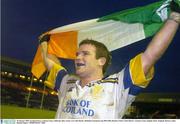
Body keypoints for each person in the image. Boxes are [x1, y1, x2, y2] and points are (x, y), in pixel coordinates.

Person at [39, 2, 180, 119]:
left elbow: (150, 56)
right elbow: (51, 63)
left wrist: (174, 19)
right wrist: (44, 43)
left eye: (85, 54)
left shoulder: (118, 85)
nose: (78, 57)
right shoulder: (67, 82)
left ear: (101, 61)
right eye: (77, 54)